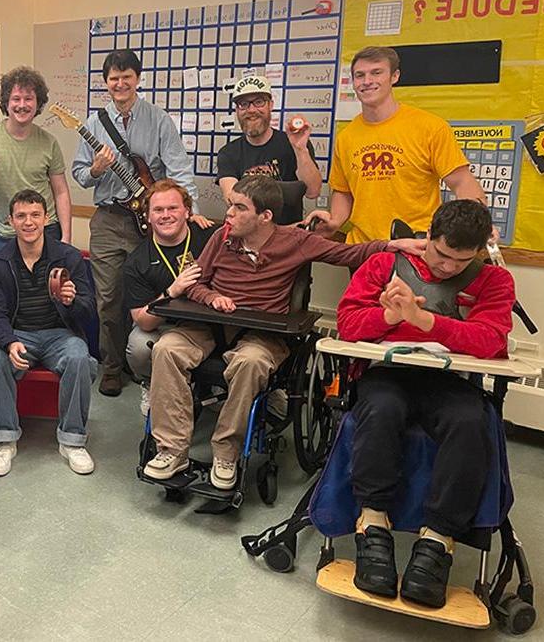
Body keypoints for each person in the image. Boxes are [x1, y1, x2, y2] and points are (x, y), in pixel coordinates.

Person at [142, 175, 424, 489]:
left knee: (249, 362)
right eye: (230, 206)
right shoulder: (222, 238)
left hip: (263, 333)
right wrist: (212, 298)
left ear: (265, 216)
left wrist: (391, 245)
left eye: (239, 208)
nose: (230, 215)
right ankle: (171, 450)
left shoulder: (296, 242)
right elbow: (194, 283)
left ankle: (226, 453)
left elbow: (350, 255)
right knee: (166, 348)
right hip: (211, 324)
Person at [336, 199, 514, 608]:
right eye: (441, 254)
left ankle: (438, 539)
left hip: (447, 380)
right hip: (387, 372)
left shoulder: (493, 280)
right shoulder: (386, 265)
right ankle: (373, 522)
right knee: (382, 409)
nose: (448, 268)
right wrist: (392, 318)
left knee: (471, 421)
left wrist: (427, 322)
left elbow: (491, 340)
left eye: (460, 260)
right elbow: (348, 324)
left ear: (478, 252)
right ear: (427, 238)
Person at [72, 49, 213, 397]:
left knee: (148, 292)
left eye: (126, 77)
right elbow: (79, 174)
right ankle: (111, 367)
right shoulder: (93, 125)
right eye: (113, 78)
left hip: (150, 222)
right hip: (107, 220)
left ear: (137, 78)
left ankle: (151, 362)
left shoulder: (159, 119)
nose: (120, 84)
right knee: (107, 298)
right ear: (105, 83)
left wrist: (188, 207)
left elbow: (178, 166)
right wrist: (96, 169)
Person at [309, 46, 487, 243]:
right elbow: (343, 191)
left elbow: (462, 182)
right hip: (364, 250)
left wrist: (478, 224)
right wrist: (334, 221)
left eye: (376, 73)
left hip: (417, 246)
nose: (367, 81)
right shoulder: (346, 137)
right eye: (360, 75)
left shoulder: (430, 127)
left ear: (394, 76)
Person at [0, 189, 98, 476]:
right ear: (10, 221)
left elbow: (89, 309)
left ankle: (72, 441)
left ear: (46, 218)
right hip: (18, 332)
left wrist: (72, 302)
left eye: (35, 215)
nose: (29, 222)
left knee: (79, 356)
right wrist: (9, 342)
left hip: (60, 333)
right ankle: (5, 440)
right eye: (21, 216)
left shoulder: (68, 257)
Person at [122, 180, 217, 415]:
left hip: (210, 324)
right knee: (139, 345)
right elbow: (142, 320)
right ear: (147, 217)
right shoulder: (137, 261)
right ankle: (149, 383)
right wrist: (172, 292)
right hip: (164, 326)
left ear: (187, 211)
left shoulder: (209, 236)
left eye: (173, 208)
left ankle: (211, 386)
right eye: (158, 210)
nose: (166, 215)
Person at [0, 66, 72, 256]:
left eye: (28, 99)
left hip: (46, 232)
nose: (22, 105)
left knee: (50, 286)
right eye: (16, 99)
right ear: (6, 103)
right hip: (4, 234)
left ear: (38, 103)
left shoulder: (49, 142)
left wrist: (66, 237)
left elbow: (61, 192)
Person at [215, 75, 321, 223]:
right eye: (243, 104)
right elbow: (232, 199)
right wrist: (292, 190)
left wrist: (300, 149)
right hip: (247, 236)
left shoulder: (294, 145)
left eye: (258, 102)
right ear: (237, 110)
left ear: (270, 105)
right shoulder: (228, 153)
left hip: (288, 236)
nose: (251, 110)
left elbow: (312, 191)